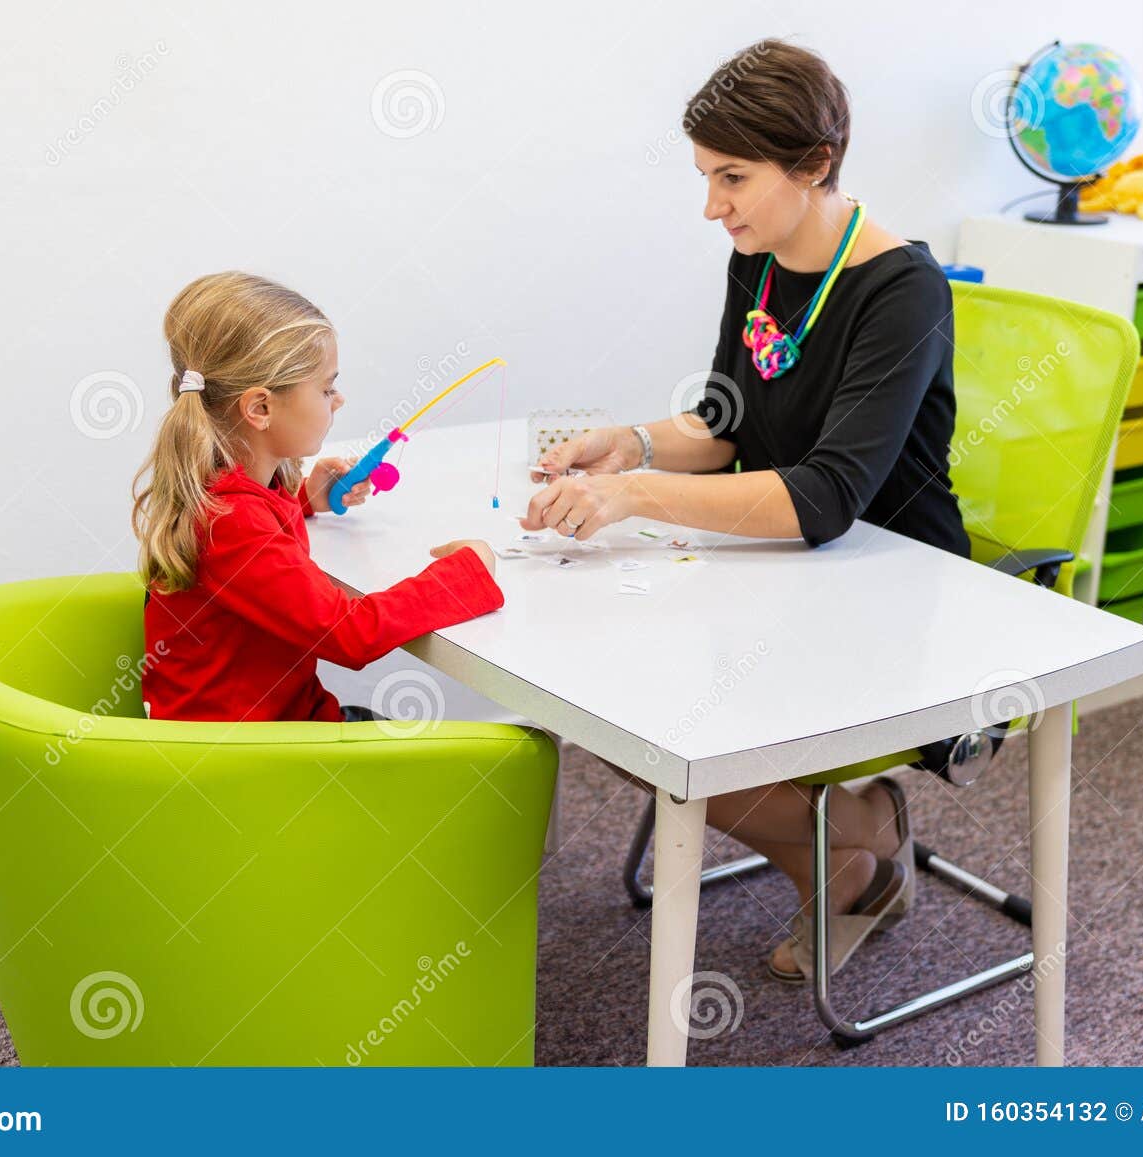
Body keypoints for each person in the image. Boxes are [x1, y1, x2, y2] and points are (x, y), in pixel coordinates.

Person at [521, 41, 967, 982]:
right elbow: (728, 419)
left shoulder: (903, 290)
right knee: (606, 696)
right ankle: (846, 836)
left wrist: (631, 495)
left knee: (656, 712)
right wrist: (630, 444)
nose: (711, 207)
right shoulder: (761, 256)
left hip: (894, 593)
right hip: (792, 577)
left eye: (733, 178)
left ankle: (846, 849)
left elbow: (825, 498)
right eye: (705, 176)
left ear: (812, 165)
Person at [135, 271, 503, 724]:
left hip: (273, 724)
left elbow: (253, 546)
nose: (339, 399)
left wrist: (308, 498)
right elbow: (349, 635)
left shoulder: (225, 492)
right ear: (260, 408)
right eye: (326, 388)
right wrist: (464, 574)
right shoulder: (231, 520)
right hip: (244, 757)